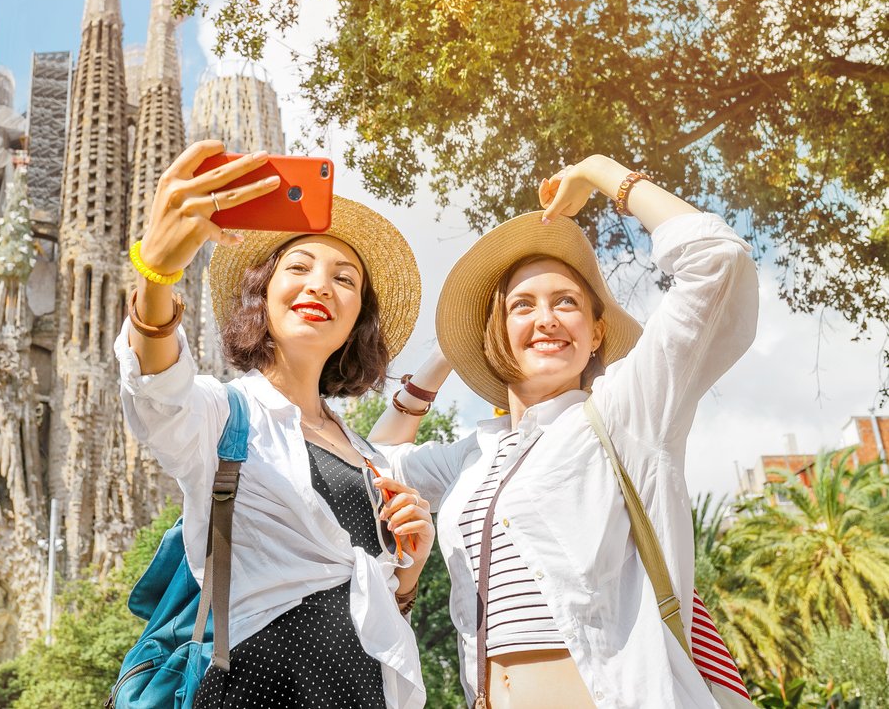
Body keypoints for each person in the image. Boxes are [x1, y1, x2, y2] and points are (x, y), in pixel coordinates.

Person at [370, 154, 759, 708]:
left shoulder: (627, 412)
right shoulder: (471, 458)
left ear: (597, 332)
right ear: (496, 334)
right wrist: (443, 359)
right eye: (521, 306)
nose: (545, 319)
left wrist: (603, 173)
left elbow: (717, 262)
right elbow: (368, 464)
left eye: (567, 304)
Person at [117, 140, 434, 709]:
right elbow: (159, 392)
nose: (320, 285)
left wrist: (408, 570)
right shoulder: (225, 416)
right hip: (254, 689)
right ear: (263, 294)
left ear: (357, 318)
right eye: (299, 266)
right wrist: (156, 274)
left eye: (345, 278)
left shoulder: (371, 458)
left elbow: (378, 611)